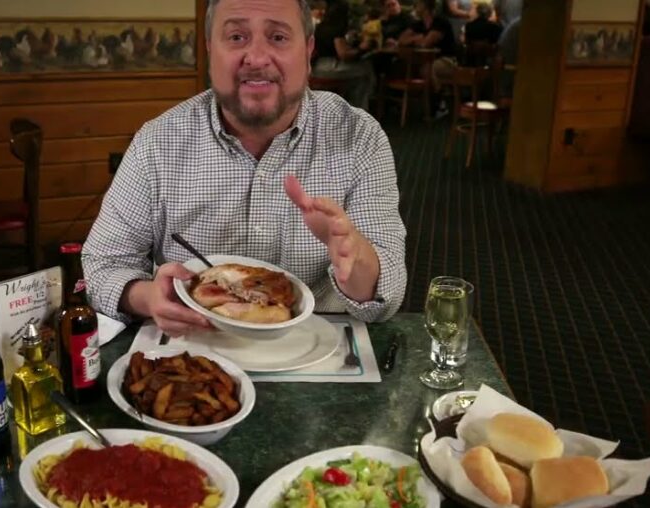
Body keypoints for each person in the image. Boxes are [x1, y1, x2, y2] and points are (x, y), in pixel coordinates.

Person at [82, 0, 408, 336]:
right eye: (237, 37)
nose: (256, 58)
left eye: (278, 37)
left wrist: (356, 260)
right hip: (192, 348)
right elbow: (103, 265)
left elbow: (387, 296)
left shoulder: (359, 138)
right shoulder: (157, 143)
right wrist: (147, 297)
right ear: (210, 48)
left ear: (308, 50)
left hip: (322, 355)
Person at [311, 0, 376, 109]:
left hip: (316, 67)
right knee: (366, 69)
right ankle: (359, 111)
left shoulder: (320, 27)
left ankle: (349, 108)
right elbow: (344, 54)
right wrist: (362, 48)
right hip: (329, 67)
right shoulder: (336, 28)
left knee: (357, 78)